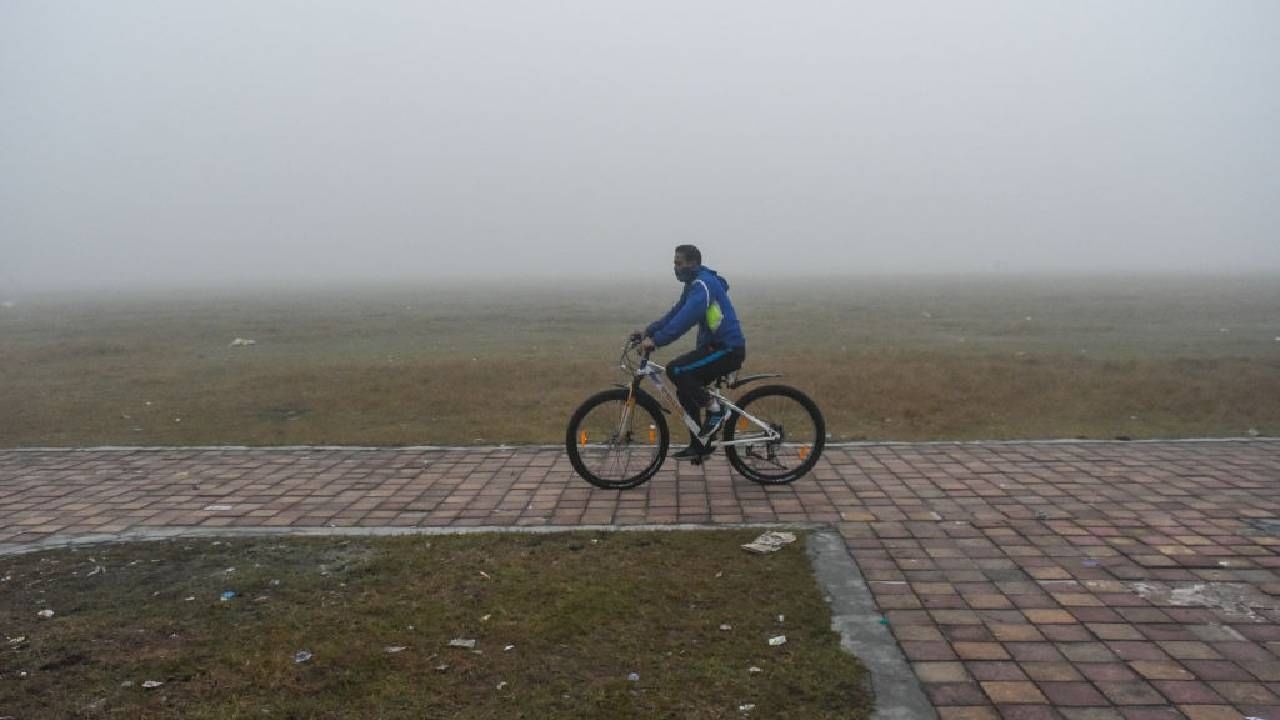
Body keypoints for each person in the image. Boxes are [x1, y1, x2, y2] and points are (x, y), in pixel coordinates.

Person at [633, 245, 746, 460]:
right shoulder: (694, 284)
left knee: (676, 369)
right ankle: (700, 445)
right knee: (685, 389)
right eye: (674, 263)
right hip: (714, 347)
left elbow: (686, 319)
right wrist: (648, 331)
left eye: (679, 263)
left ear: (692, 263)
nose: (675, 268)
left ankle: (716, 410)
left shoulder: (703, 284)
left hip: (727, 349)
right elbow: (676, 313)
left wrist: (656, 341)